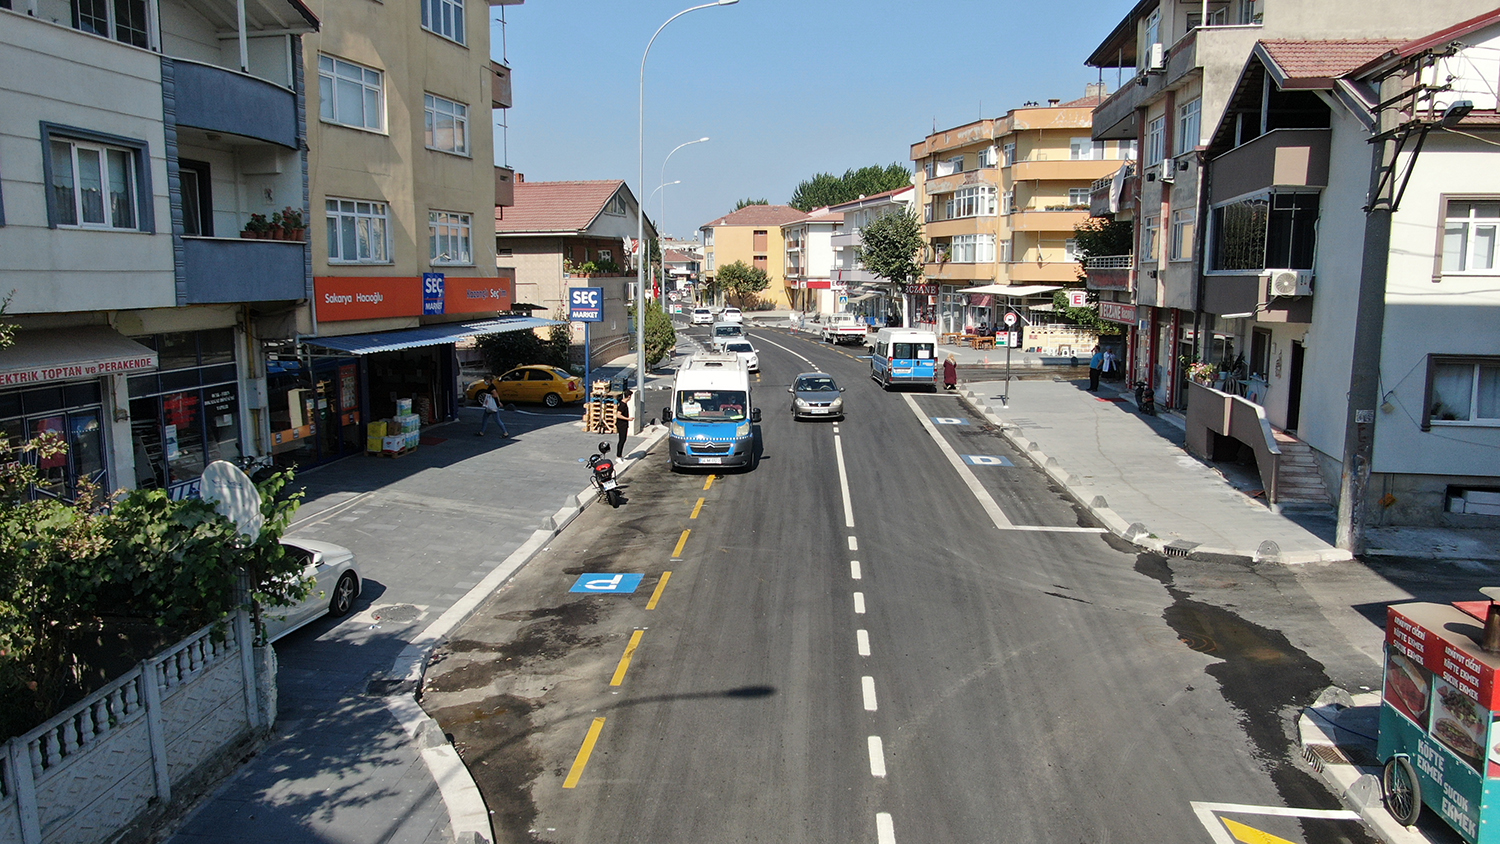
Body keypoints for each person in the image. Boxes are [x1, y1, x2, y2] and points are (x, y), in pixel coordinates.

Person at [615, 388, 634, 459]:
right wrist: (628, 419)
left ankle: (620, 455)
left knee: (623, 439)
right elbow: (618, 415)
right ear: (628, 396)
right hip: (622, 425)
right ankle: (618, 456)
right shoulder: (623, 405)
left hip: (623, 424)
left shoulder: (623, 403)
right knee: (622, 440)